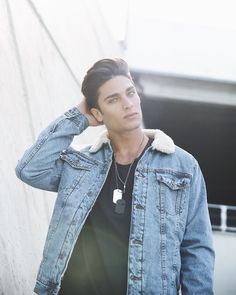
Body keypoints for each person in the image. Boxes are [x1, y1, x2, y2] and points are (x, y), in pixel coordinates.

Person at [15, 58, 215, 295]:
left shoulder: (182, 166)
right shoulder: (81, 162)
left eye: (130, 93)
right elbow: (30, 169)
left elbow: (197, 248)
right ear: (97, 113)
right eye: (114, 99)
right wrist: (78, 117)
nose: (128, 104)